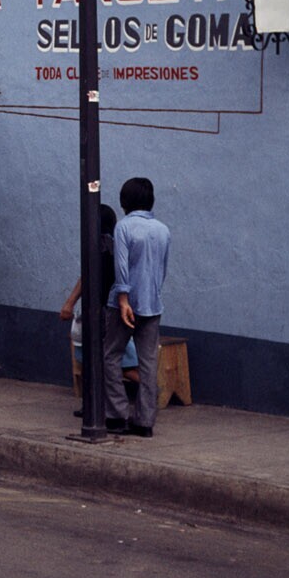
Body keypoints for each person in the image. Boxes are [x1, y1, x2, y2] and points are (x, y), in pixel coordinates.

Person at [102, 176, 172, 437]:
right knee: (148, 362)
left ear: (125, 201)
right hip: (152, 303)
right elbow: (162, 270)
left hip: (124, 303)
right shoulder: (163, 230)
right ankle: (145, 422)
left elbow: (120, 266)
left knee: (110, 356)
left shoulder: (124, 227)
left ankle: (116, 415)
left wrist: (123, 299)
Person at [60, 204, 138, 417]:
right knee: (111, 360)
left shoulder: (99, 246)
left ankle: (99, 406)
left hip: (100, 310)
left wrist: (69, 303)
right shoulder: (115, 244)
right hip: (111, 308)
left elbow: (86, 277)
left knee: (97, 359)